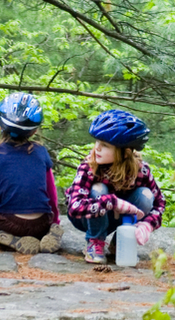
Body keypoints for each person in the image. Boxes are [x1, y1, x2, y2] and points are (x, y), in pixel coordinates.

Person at [65, 110, 165, 263]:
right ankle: (95, 241)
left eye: (104, 145)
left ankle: (121, 242)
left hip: (120, 219)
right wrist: (112, 202)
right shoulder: (89, 167)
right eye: (97, 142)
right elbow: (74, 206)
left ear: (125, 153)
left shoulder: (140, 170)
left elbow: (159, 202)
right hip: (87, 218)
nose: (96, 148)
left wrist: (148, 223)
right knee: (98, 189)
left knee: (146, 195)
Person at [0, 92, 62, 255]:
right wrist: (54, 221)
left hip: (9, 223)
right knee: (32, 219)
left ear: (0, 124)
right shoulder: (41, 151)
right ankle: (47, 235)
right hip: (41, 224)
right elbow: (52, 193)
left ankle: (6, 237)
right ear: (34, 131)